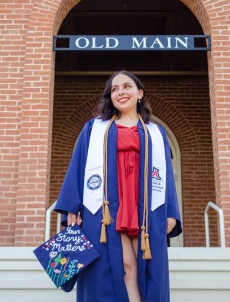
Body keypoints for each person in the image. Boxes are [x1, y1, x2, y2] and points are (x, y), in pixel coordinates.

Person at [55, 70, 182, 302]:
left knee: (141, 268)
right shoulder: (94, 129)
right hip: (105, 208)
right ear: (110, 97)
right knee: (117, 264)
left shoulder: (155, 132)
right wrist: (72, 206)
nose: (121, 92)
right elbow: (78, 165)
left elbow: (163, 175)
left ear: (139, 93)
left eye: (127, 87)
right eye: (114, 89)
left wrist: (171, 212)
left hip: (144, 206)